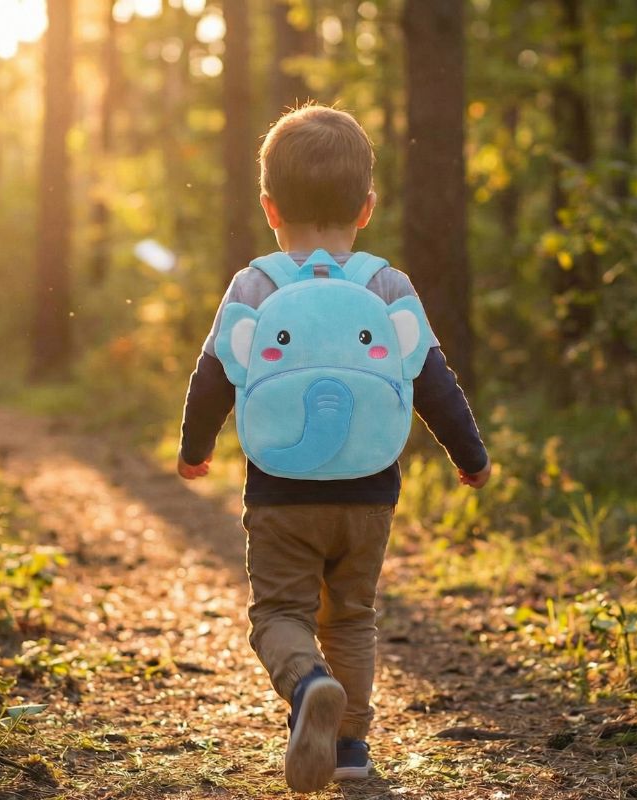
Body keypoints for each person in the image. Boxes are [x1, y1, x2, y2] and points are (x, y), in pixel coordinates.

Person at [177, 104, 491, 793]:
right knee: (351, 616)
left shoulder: (255, 285)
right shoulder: (387, 285)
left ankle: (308, 683)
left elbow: (213, 375)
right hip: (369, 490)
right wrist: (470, 456)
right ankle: (350, 753)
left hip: (281, 494)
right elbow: (434, 379)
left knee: (281, 615)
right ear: (367, 207)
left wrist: (194, 449)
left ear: (268, 207)